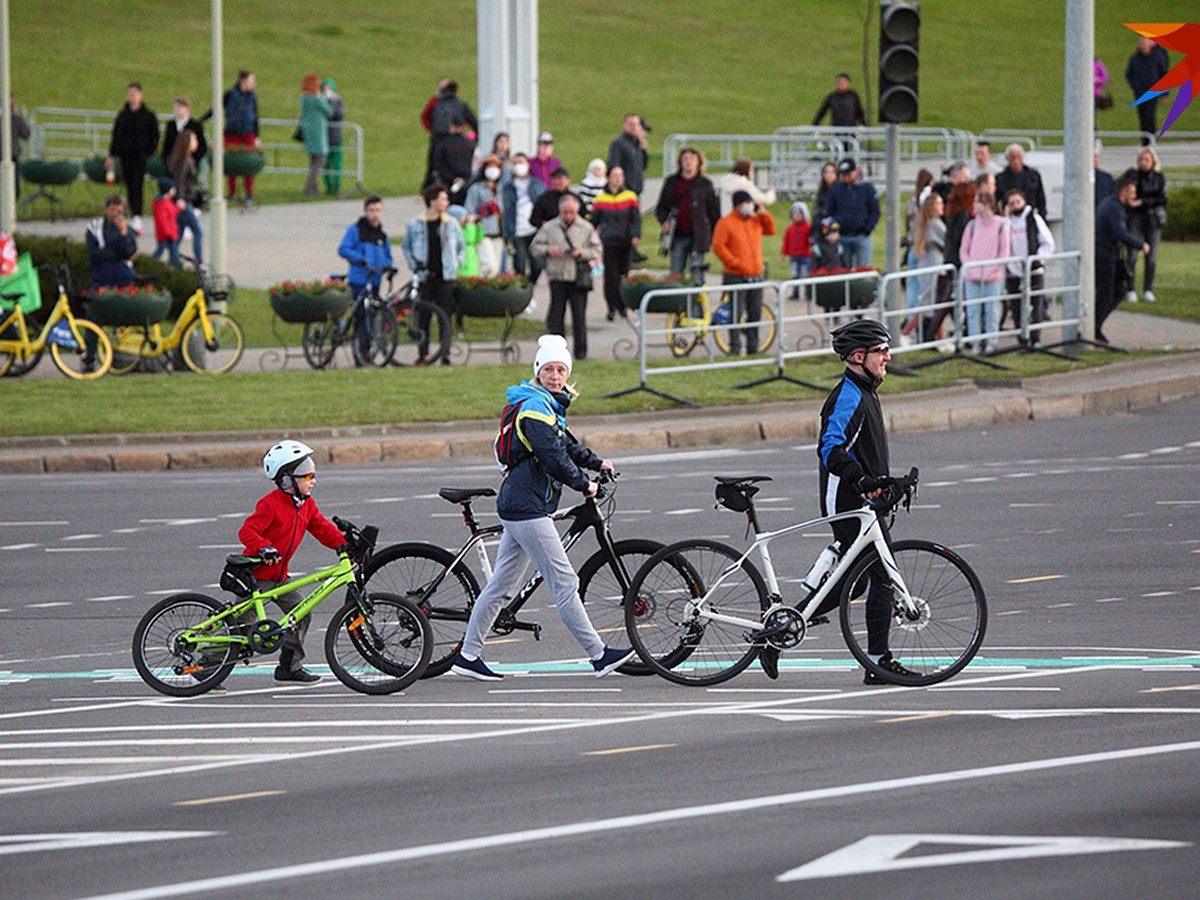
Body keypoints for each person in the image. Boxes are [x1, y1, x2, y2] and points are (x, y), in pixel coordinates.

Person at [450, 335, 635, 682]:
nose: (555, 375)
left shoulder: (545, 406)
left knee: (500, 587)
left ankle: (467, 655)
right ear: (537, 371)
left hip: (523, 505)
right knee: (565, 581)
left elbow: (568, 445)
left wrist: (598, 464)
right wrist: (584, 484)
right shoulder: (535, 408)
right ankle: (598, 655)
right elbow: (553, 456)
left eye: (561, 369)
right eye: (548, 369)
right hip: (527, 507)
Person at [759, 319, 912, 684]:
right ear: (859, 356)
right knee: (882, 576)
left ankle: (781, 631)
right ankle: (878, 663)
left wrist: (884, 483)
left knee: (858, 583)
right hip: (847, 502)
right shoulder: (848, 394)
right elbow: (830, 446)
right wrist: (860, 479)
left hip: (865, 502)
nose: (888, 357)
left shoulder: (865, 388)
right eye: (881, 351)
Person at [239, 440, 347, 685]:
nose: (313, 480)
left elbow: (323, 530)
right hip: (256, 575)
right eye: (307, 475)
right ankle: (206, 667)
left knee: (300, 613)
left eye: (313, 474)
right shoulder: (270, 504)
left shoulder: (306, 505)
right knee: (241, 624)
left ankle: (289, 666)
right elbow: (247, 531)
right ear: (287, 480)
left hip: (279, 578)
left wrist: (345, 544)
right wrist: (263, 547)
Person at [531, 194, 601, 360]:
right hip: (557, 276)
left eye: (571, 212)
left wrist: (581, 252)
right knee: (556, 317)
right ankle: (555, 354)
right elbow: (534, 248)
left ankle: (581, 353)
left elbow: (597, 251)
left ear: (577, 211)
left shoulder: (586, 227)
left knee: (579, 317)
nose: (568, 216)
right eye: (565, 212)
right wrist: (548, 250)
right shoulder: (549, 227)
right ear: (559, 211)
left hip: (578, 278)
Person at [402, 184, 466, 364]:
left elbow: (461, 246)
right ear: (432, 201)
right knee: (424, 316)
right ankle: (423, 353)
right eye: (443, 198)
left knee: (444, 316)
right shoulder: (416, 224)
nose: (447, 202)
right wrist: (414, 264)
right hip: (425, 277)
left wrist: (456, 264)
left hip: (445, 277)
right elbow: (406, 246)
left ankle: (444, 353)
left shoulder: (451, 223)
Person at [711, 190, 776, 355]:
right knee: (736, 314)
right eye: (745, 203)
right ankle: (734, 348)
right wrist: (735, 263)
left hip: (755, 275)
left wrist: (763, 213)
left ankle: (753, 349)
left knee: (755, 313)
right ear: (738, 205)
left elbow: (771, 229)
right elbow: (718, 246)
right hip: (735, 276)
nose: (748, 206)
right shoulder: (726, 223)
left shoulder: (755, 220)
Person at [83, 194, 138, 371]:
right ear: (106, 209)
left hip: (123, 278)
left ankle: (126, 355)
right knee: (94, 318)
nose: (116, 214)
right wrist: (115, 253)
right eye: (112, 210)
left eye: (119, 210)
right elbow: (94, 255)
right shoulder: (95, 228)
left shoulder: (126, 229)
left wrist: (122, 234)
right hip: (101, 279)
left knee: (127, 318)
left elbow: (129, 251)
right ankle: (90, 357)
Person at [1095, 176, 1150, 344]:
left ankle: (1096, 325)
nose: (1134, 195)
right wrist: (1141, 244)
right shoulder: (1114, 208)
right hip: (1104, 254)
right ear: (1124, 191)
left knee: (1119, 289)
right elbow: (1120, 232)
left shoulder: (1112, 204)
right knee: (1106, 292)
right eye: (1132, 192)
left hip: (1111, 254)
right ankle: (1094, 326)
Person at [338, 194, 393, 360]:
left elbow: (387, 256)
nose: (374, 214)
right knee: (361, 316)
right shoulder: (355, 230)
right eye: (371, 210)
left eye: (377, 210)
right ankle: (360, 352)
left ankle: (367, 350)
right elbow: (343, 249)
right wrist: (359, 259)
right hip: (359, 280)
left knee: (372, 315)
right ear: (365, 211)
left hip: (374, 281)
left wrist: (388, 266)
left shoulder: (382, 236)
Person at [654, 146, 720, 283]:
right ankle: (677, 302)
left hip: (698, 235)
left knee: (697, 272)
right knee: (676, 272)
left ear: (698, 162)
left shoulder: (705, 184)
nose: (688, 162)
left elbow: (714, 212)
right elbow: (661, 208)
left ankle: (697, 303)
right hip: (677, 235)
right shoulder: (672, 182)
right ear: (680, 162)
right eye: (685, 159)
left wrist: (714, 235)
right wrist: (664, 222)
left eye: (692, 159)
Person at [958, 190, 1010, 354]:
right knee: (972, 310)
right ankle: (975, 341)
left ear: (986, 205)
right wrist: (971, 268)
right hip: (972, 276)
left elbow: (1004, 252)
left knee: (992, 310)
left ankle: (991, 341)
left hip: (993, 277)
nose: (974, 206)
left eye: (977, 203)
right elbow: (964, 250)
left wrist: (989, 270)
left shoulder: (1002, 225)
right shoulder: (972, 225)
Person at [1003, 188, 1054, 345]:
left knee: (1035, 304)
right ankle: (1022, 339)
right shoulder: (1006, 223)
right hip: (1013, 271)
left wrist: (1037, 259)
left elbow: (1048, 243)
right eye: (1011, 203)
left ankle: (1035, 338)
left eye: (1018, 202)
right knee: (1016, 307)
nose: (1015, 206)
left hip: (1033, 269)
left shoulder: (1033, 219)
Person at [589, 165, 641, 320]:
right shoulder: (600, 198)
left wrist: (635, 235)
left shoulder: (630, 196)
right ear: (608, 178)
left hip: (625, 241)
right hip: (608, 241)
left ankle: (622, 305)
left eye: (620, 175)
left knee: (623, 274)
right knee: (610, 276)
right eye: (615, 175)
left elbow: (635, 219)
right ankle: (611, 306)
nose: (618, 179)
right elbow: (594, 221)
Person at [106, 82, 158, 234]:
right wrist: (112, 154)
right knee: (129, 185)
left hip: (140, 156)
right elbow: (116, 136)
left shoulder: (148, 116)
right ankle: (132, 213)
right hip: (125, 156)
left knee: (137, 184)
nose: (132, 97)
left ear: (140, 95)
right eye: (130, 93)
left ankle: (137, 216)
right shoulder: (123, 116)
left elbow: (154, 136)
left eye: (134, 93)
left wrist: (149, 151)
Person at [1122, 145, 1167, 303]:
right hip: (1135, 218)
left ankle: (1148, 289)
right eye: (1141, 159)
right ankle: (1130, 289)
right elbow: (1123, 188)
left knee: (1151, 256)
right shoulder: (1133, 175)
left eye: (1146, 159)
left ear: (1153, 161)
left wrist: (1143, 202)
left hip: (1152, 219)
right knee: (1132, 255)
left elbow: (1162, 199)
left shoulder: (1158, 177)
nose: (1143, 162)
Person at [824, 158, 880, 268]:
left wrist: (867, 229)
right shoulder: (836, 189)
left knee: (863, 269)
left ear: (856, 171)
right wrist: (834, 228)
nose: (846, 178)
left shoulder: (867, 188)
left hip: (861, 236)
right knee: (844, 269)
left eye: (848, 174)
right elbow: (830, 212)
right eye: (843, 175)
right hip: (842, 236)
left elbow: (874, 211)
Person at [501, 153, 546, 283]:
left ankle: (530, 286)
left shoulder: (537, 184)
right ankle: (524, 292)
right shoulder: (508, 187)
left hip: (534, 230)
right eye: (515, 163)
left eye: (521, 162)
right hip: (517, 231)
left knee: (537, 265)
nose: (518, 166)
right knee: (519, 266)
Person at [906, 192, 945, 342]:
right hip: (934, 264)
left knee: (933, 303)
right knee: (929, 302)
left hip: (926, 263)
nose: (942, 206)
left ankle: (937, 336)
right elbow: (945, 241)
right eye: (939, 203)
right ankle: (906, 332)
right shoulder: (935, 224)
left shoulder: (924, 224)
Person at [425, 80, 478, 187]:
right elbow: (474, 122)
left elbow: (429, 119)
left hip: (438, 139)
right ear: (456, 91)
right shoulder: (460, 105)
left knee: (434, 167)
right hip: (457, 143)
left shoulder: (436, 104)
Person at [223, 70, 261, 206]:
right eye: (251, 81)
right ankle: (232, 193)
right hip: (232, 132)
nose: (253, 84)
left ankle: (249, 194)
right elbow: (217, 108)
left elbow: (255, 116)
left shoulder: (252, 96)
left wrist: (257, 136)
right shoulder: (230, 94)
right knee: (232, 163)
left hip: (247, 132)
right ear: (243, 81)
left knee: (248, 164)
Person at [463, 155, 505, 275]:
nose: (493, 169)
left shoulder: (501, 189)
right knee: (489, 266)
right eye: (490, 166)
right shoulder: (476, 189)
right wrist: (479, 215)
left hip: (499, 233)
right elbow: (469, 210)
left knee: (496, 267)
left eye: (495, 166)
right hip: (483, 232)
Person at [167, 132, 204, 266]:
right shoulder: (184, 161)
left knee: (179, 233)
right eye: (193, 139)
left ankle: (173, 260)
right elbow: (180, 181)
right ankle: (199, 262)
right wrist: (180, 198)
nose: (196, 142)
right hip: (184, 201)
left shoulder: (188, 159)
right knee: (198, 232)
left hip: (186, 199)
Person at [1125, 36, 1171, 142]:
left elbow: (1164, 74)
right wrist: (1135, 85)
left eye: (1145, 42)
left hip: (1153, 91)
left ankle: (1152, 140)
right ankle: (1145, 142)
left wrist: (1165, 93)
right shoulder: (1135, 58)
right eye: (1141, 42)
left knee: (1149, 116)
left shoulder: (1158, 57)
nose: (1143, 45)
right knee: (1142, 117)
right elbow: (1129, 74)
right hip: (1140, 92)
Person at [431, 115, 476, 207]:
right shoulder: (469, 144)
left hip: (447, 182)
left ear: (451, 126)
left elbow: (438, 164)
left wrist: (452, 178)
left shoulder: (443, 143)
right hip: (465, 182)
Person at [299, 73, 332, 196]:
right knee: (319, 160)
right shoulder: (316, 99)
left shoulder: (304, 98)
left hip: (308, 131)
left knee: (313, 161)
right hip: (317, 132)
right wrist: (327, 98)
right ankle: (309, 188)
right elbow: (329, 111)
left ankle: (314, 189)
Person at [995, 144, 1047, 219]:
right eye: (1012, 157)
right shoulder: (1000, 178)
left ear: (1022, 157)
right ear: (1007, 158)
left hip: (1030, 216)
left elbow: (1041, 199)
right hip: (1010, 217)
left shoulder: (1033, 176)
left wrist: (1042, 217)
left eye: (1018, 157)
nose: (1015, 161)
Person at [607, 113, 650, 197]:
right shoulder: (618, 144)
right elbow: (614, 166)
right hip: (624, 191)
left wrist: (644, 150)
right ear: (624, 125)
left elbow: (643, 166)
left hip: (636, 191)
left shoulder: (637, 144)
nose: (633, 127)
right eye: (630, 124)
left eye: (636, 124)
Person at [160, 97, 207, 173]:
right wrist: (166, 160)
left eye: (180, 108)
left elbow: (202, 147)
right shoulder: (171, 125)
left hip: (188, 165)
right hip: (171, 163)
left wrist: (193, 160)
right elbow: (167, 144)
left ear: (187, 109)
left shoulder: (195, 125)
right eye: (175, 108)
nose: (177, 110)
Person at [529, 165, 577, 230]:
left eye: (560, 178)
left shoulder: (575, 198)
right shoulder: (544, 199)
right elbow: (534, 220)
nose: (557, 181)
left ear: (568, 181)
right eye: (554, 179)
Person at [781, 200, 812, 297]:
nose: (797, 216)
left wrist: (811, 246)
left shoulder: (807, 228)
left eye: (799, 214)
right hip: (794, 255)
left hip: (805, 255)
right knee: (795, 274)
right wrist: (784, 252)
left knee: (805, 274)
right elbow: (786, 241)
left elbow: (810, 241)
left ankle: (808, 292)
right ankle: (795, 292)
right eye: (795, 214)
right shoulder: (790, 229)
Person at [150, 178, 181, 268]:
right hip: (166, 235)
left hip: (170, 233)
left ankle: (174, 265)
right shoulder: (162, 204)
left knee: (171, 251)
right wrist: (167, 233)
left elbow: (172, 213)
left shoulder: (168, 202)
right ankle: (174, 266)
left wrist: (178, 208)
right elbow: (162, 220)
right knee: (165, 250)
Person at [321, 78, 345, 195]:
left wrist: (334, 102)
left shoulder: (338, 101)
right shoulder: (319, 100)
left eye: (329, 88)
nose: (327, 90)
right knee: (325, 163)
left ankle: (336, 186)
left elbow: (339, 115)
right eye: (325, 88)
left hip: (335, 136)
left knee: (336, 163)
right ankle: (328, 186)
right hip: (323, 136)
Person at [10, 99, 30, 200]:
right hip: (12, 154)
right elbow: (26, 134)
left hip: (12, 153)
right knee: (13, 181)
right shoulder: (15, 119)